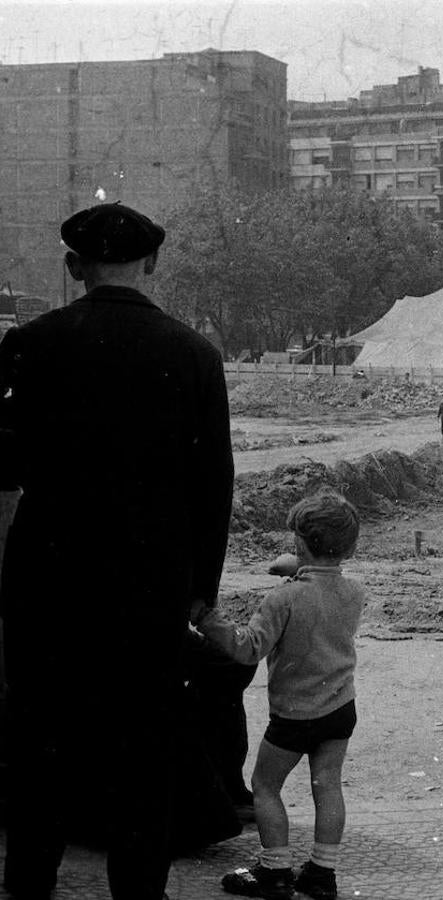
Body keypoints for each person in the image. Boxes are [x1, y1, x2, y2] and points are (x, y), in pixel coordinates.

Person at [0, 202, 234, 899]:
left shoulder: (30, 344)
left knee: (39, 743)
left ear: (74, 266)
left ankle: (30, 886)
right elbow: (213, 484)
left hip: (47, 577)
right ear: (152, 263)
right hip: (150, 582)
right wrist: (200, 589)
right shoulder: (195, 355)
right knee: (143, 752)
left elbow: (4, 461)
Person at [193, 490, 366, 900]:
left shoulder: (283, 598)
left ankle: (275, 871)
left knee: (265, 785)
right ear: (348, 547)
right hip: (340, 708)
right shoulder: (355, 592)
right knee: (328, 786)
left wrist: (208, 620)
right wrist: (305, 568)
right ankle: (321, 873)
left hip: (294, 715)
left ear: (301, 544)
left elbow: (248, 648)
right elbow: (322, 591)